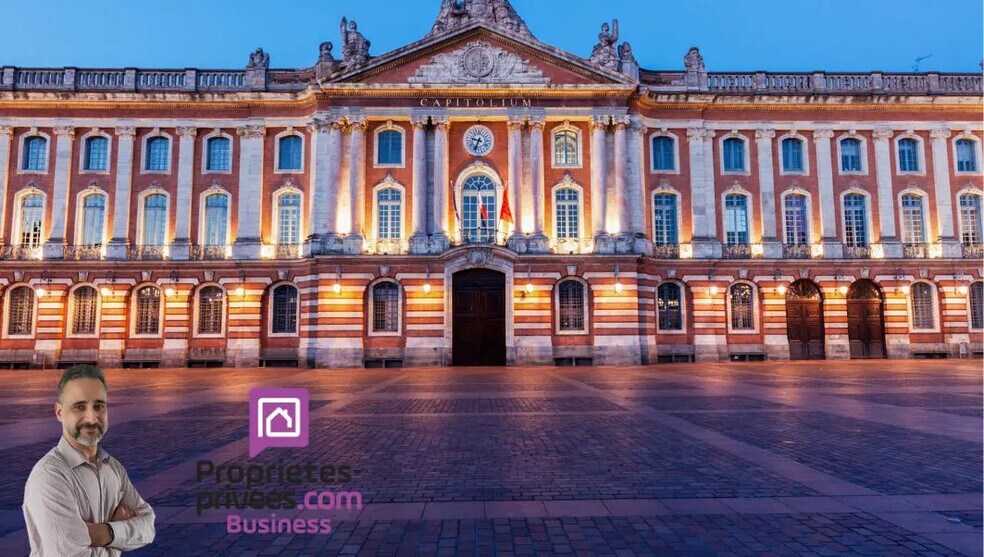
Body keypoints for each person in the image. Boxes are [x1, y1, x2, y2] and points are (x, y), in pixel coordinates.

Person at [23, 365, 155, 556]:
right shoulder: (49, 476)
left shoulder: (113, 467)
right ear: (59, 412)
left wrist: (104, 532)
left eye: (99, 406)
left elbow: (148, 527)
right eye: (79, 407)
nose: (92, 418)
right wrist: (118, 532)